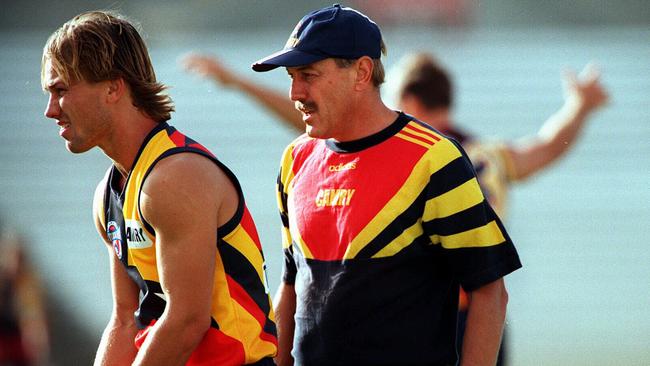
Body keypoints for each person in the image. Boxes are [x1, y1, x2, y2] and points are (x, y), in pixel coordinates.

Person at [183, 41, 608, 366]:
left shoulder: (415, 155)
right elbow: (549, 147)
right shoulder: (489, 154)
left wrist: (235, 82)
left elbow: (315, 124)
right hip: (486, 322)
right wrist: (580, 107)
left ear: (410, 103)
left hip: (428, 314)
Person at [251, 4, 521, 366]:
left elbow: (490, 292)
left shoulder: (434, 160)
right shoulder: (295, 159)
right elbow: (291, 284)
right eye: (291, 77)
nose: (295, 92)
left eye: (308, 75)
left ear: (362, 72)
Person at [41, 11, 277, 365]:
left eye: (61, 90)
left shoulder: (175, 177)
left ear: (113, 87)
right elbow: (124, 320)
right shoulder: (108, 194)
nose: (49, 110)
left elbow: (186, 321)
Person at [0, 232, 50, 366]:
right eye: (12, 257)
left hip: (18, 335)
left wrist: (37, 338)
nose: (15, 262)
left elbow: (34, 314)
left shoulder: (29, 283)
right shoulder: (3, 280)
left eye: (19, 258)